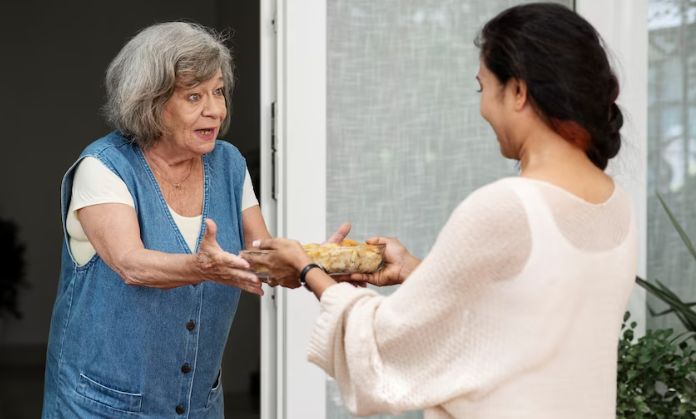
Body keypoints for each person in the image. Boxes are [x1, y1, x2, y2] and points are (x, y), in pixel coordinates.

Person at [244, 3, 638, 418]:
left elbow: (384, 341)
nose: (483, 107)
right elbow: (524, 310)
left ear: (518, 92)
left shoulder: (507, 206)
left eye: (482, 87)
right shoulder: (616, 204)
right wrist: (417, 270)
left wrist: (309, 270)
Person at [41, 22, 348, 418]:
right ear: (150, 103)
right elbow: (131, 264)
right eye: (194, 95)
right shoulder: (104, 167)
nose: (216, 109)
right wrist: (202, 267)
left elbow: (261, 260)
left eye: (218, 91)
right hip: (101, 406)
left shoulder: (229, 164)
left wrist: (316, 264)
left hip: (196, 405)